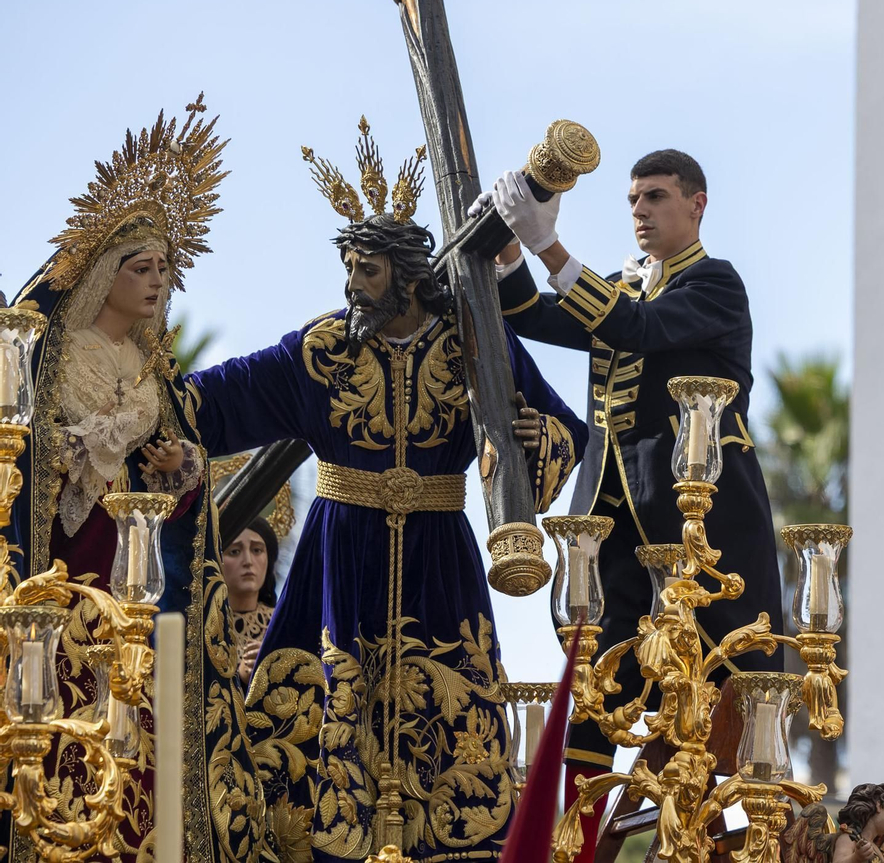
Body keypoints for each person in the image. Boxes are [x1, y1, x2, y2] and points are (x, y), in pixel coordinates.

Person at [183, 129, 586, 862]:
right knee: (316, 740)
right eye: (348, 269)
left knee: (451, 742)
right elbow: (220, 395)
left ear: (405, 276)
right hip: (338, 559)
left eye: (365, 271)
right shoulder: (320, 349)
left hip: (440, 557)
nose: (351, 286)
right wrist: (148, 401)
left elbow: (567, 431)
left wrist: (534, 436)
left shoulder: (478, 344)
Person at [485, 149, 784, 863]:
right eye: (633, 200)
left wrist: (548, 245)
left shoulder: (715, 284)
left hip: (702, 538)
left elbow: (637, 330)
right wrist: (504, 251)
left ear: (696, 204)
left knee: (714, 703)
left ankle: (710, 845)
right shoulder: (624, 286)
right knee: (596, 684)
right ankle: (575, 846)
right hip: (614, 529)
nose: (641, 211)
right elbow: (531, 315)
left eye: (655, 196)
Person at [4, 97, 274, 862]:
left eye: (165, 269)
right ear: (102, 276)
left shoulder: (156, 371)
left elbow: (183, 493)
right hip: (72, 571)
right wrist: (105, 442)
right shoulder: (60, 355)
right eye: (141, 268)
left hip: (143, 577)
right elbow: (37, 455)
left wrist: (177, 470)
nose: (157, 281)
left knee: (146, 728)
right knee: (72, 716)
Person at [221, 515, 278, 683]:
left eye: (257, 550)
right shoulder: (201, 628)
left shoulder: (283, 625)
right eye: (234, 551)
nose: (248, 561)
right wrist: (241, 678)